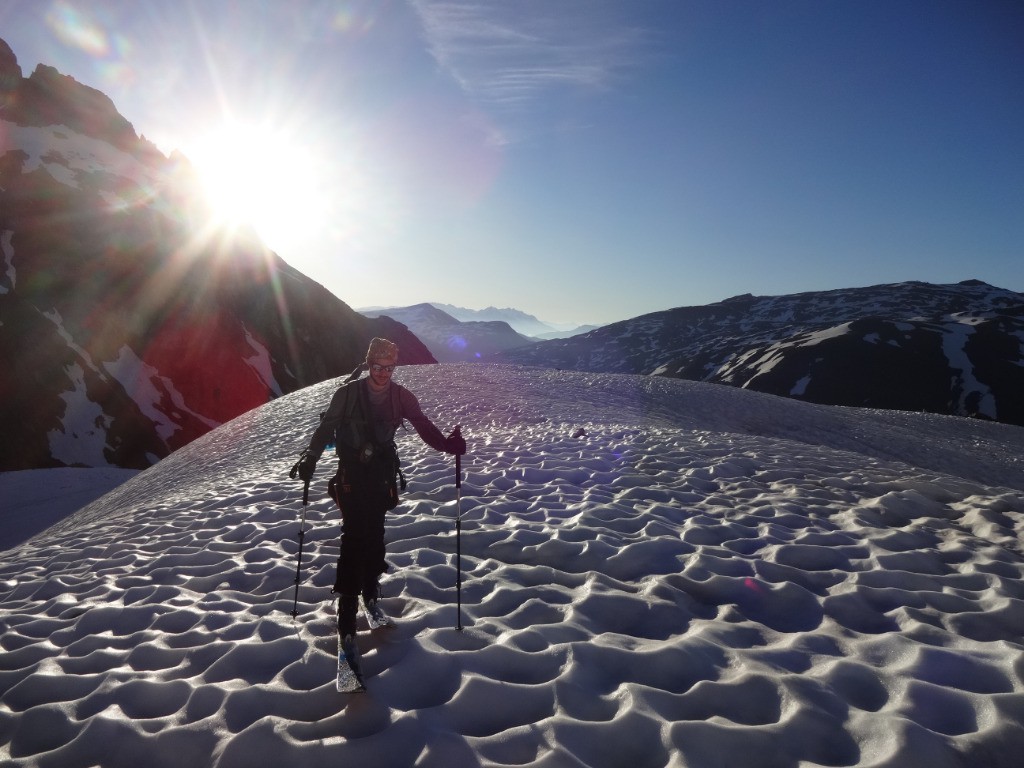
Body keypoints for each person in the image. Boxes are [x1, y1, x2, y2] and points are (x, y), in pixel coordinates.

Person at [294, 337, 465, 643]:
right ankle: (347, 604)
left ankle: (369, 591)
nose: (383, 372)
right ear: (368, 364)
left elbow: (424, 427)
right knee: (354, 534)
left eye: (389, 367)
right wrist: (310, 457)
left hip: (380, 475)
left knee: (374, 533)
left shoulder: (402, 397)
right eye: (377, 366)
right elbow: (325, 430)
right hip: (350, 474)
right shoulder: (347, 394)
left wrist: (448, 446)